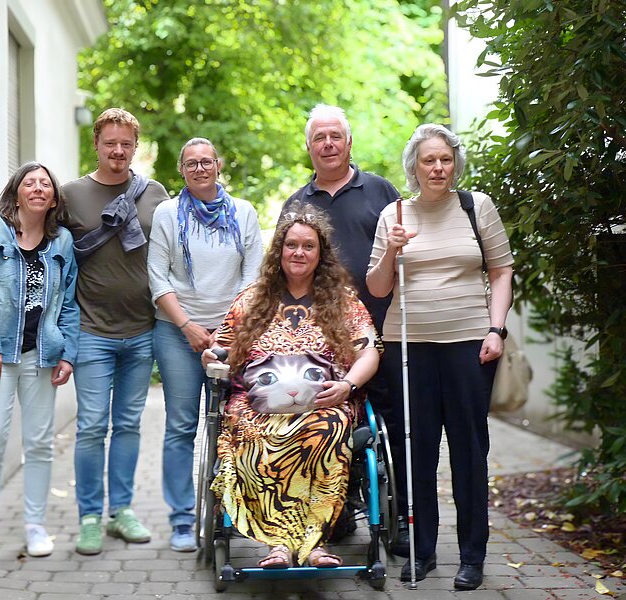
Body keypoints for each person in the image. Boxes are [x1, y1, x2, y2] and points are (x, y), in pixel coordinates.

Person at [366, 123, 514, 590]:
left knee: (469, 448)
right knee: (417, 449)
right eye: (428, 160)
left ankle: (472, 556)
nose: (437, 168)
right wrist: (391, 251)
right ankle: (422, 550)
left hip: (470, 344)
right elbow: (377, 288)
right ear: (414, 167)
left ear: (455, 165)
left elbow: (502, 271)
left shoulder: (476, 207)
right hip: (409, 347)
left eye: (445, 159)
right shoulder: (394, 214)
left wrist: (496, 329)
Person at [202, 202, 382, 568]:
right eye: (292, 245)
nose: (299, 252)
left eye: (308, 246)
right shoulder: (251, 299)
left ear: (320, 254)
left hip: (324, 403)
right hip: (257, 405)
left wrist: (347, 385)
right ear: (279, 251)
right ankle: (280, 544)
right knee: (253, 434)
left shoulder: (343, 302)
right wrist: (211, 357)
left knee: (328, 428)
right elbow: (220, 349)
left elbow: (370, 351)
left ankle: (314, 542)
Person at [280, 104, 409, 552]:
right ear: (309, 147)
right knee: (324, 419)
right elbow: (285, 267)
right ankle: (332, 511)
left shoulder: (381, 191)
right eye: (319, 137)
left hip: (382, 328)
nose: (328, 144)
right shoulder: (297, 203)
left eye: (335, 135)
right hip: (320, 337)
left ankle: (400, 516)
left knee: (392, 422)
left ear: (349, 142)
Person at [62, 108, 170, 555]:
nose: (118, 151)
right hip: (91, 330)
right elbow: (36, 235)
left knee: (127, 424)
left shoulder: (155, 193)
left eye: (126, 143)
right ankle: (89, 516)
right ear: (96, 144)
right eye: (111, 143)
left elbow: (175, 249)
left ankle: (121, 510)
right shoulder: (71, 195)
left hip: (142, 329)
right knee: (91, 426)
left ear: (135, 146)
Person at [147, 137, 263, 552]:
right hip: (177, 333)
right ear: (182, 170)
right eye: (191, 163)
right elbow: (157, 276)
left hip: (233, 334)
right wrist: (188, 326)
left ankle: (230, 512)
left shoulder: (244, 213)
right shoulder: (167, 214)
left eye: (206, 162)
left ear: (218, 165)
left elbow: (253, 278)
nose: (199, 168)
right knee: (181, 426)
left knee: (234, 422)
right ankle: (182, 519)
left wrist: (227, 331)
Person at [0, 161, 80, 561]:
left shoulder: (62, 241)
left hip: (42, 354)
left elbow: (69, 303)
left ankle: (35, 526)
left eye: (45, 184)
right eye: (29, 183)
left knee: (39, 443)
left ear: (54, 198)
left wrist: (68, 353)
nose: (37, 188)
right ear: (16, 193)